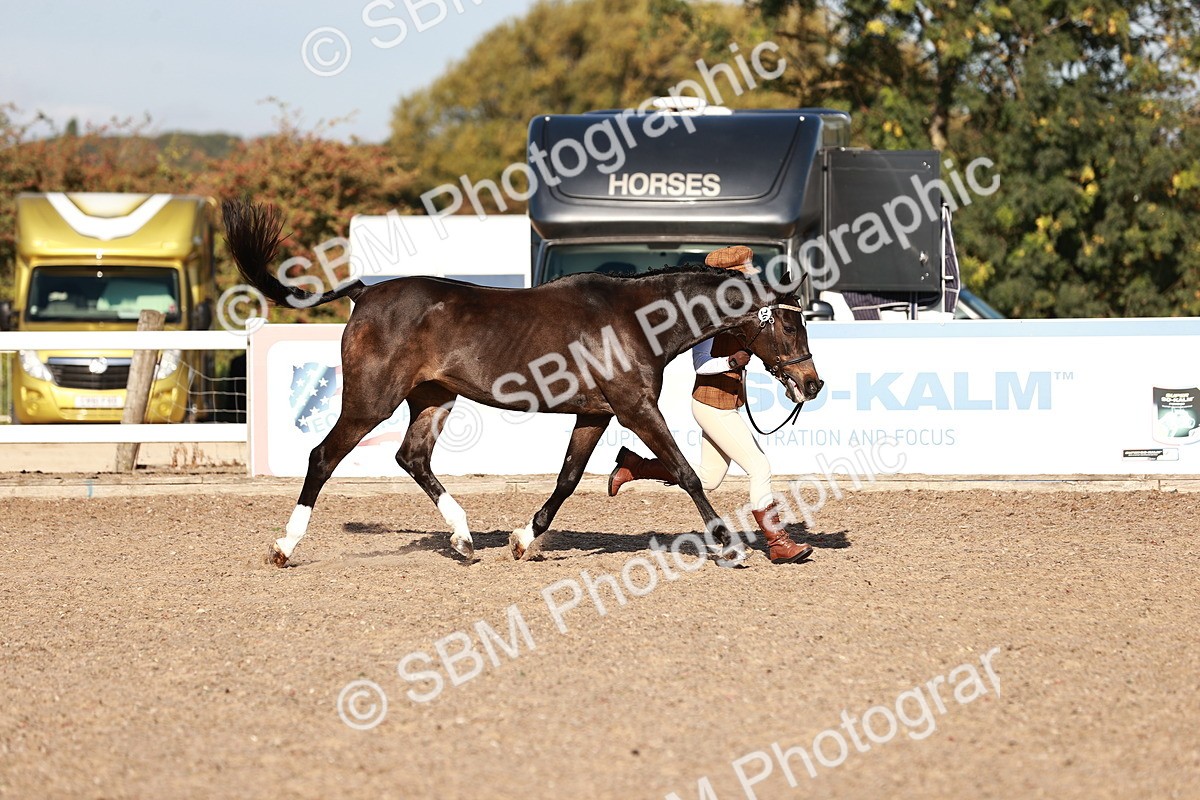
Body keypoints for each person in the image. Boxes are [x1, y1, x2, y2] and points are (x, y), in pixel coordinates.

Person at [608, 245, 812, 564]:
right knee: (760, 467)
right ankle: (777, 541)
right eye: (747, 271)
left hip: (727, 403)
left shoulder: (746, 312)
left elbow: (771, 353)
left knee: (708, 478)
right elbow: (701, 364)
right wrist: (732, 360)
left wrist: (792, 385)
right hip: (710, 404)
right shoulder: (708, 313)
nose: (754, 276)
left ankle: (636, 466)